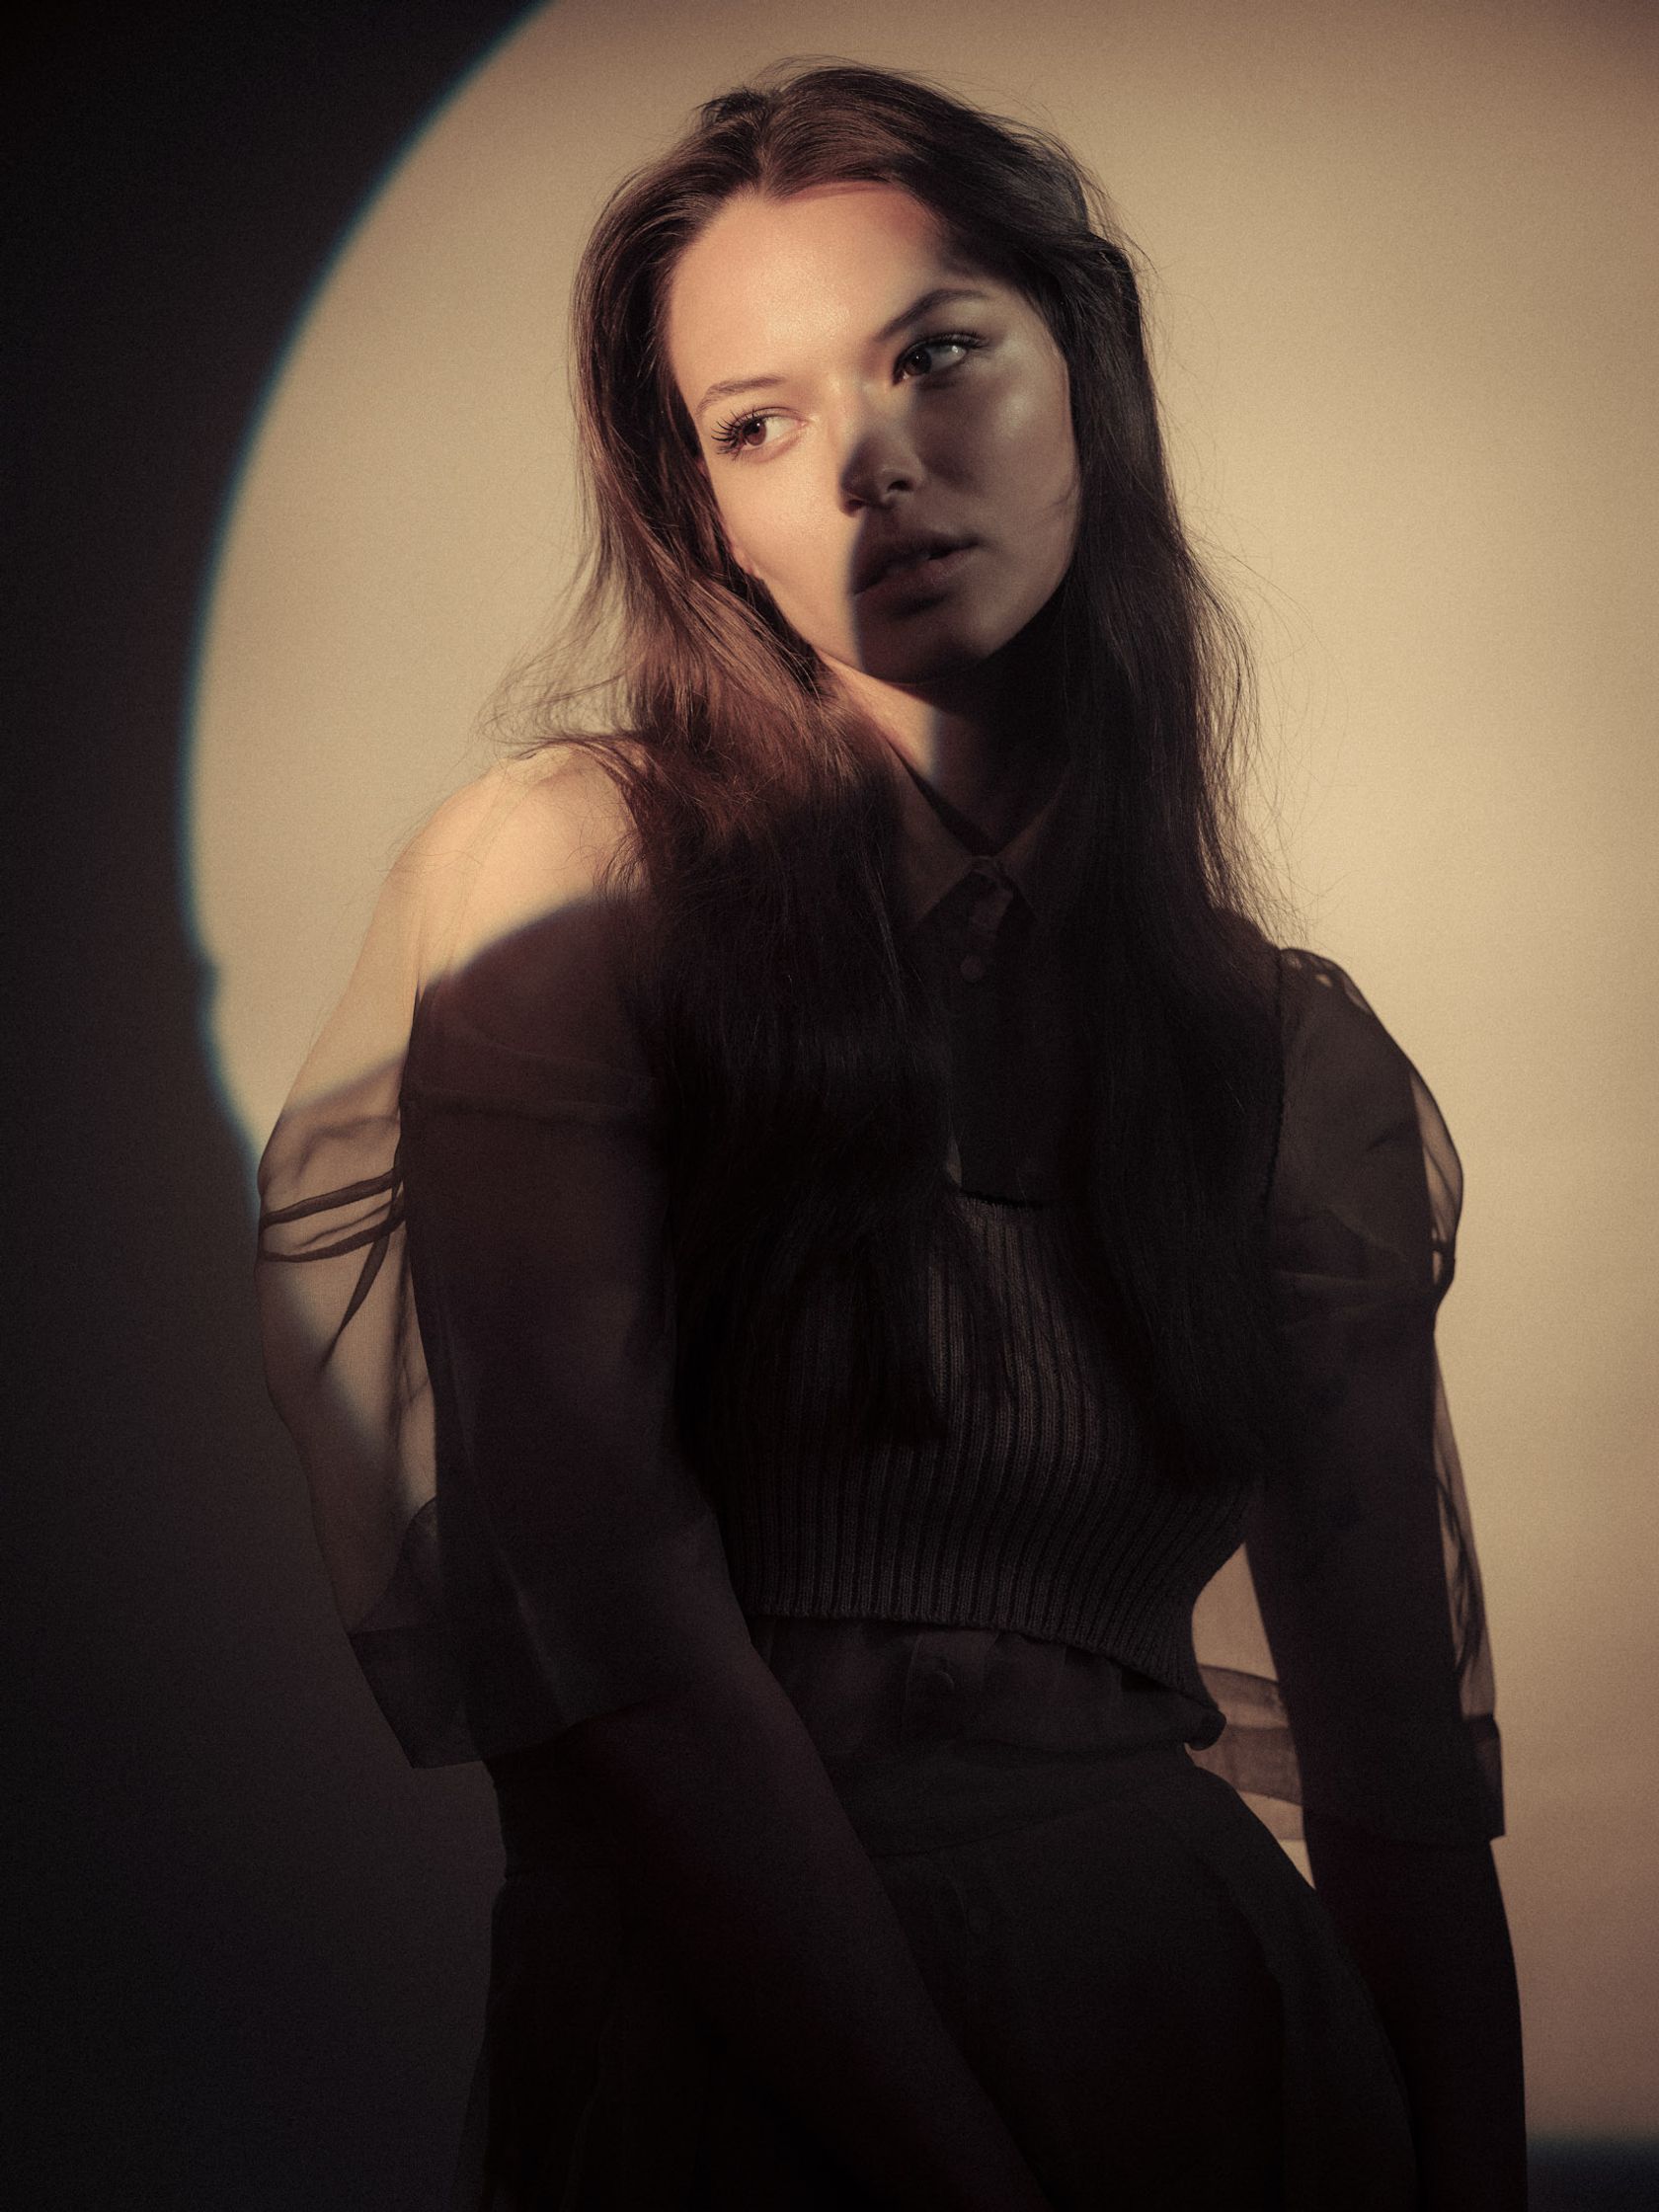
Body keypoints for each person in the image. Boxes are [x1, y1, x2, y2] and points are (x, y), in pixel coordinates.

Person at [255, 58, 1525, 2212]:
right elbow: (617, 1643)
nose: (870, 468)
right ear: (705, 514)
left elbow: (1401, 1791)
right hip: (744, 2063)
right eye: (757, 425)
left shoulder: (1279, 1052)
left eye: (936, 358)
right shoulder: (572, 884)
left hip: (1219, 2038)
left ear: (1086, 376)